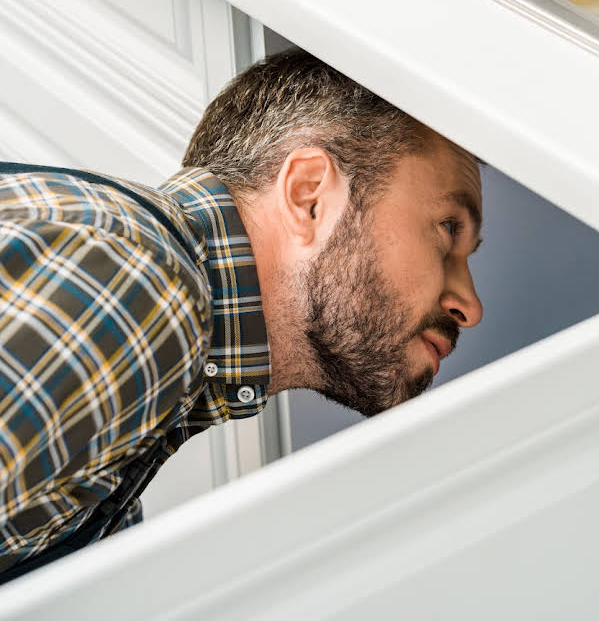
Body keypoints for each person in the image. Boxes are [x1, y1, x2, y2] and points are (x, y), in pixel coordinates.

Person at [0, 50, 483, 577]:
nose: (470, 306)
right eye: (448, 230)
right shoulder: (137, 290)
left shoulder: (137, 288)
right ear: (309, 197)